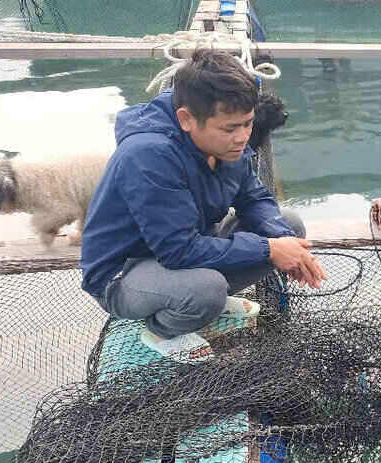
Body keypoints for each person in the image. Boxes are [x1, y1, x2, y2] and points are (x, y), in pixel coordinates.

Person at [80, 49, 326, 362]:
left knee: (288, 226)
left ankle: (199, 301)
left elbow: (253, 198)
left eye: (248, 124)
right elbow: (178, 250)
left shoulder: (227, 145)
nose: (242, 138)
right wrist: (268, 249)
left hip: (184, 248)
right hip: (124, 272)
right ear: (187, 119)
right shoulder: (148, 155)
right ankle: (162, 330)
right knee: (207, 289)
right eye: (230, 129)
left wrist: (285, 242)